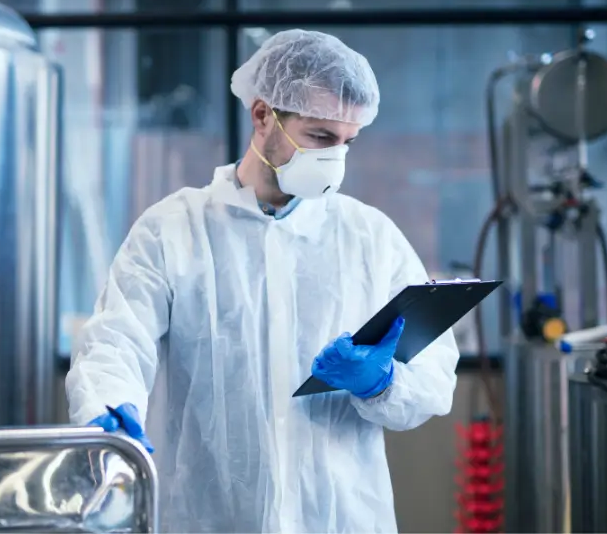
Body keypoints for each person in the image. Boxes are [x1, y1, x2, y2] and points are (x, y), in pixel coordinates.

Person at [66, 29, 460, 533]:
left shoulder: (369, 237)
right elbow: (117, 339)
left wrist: (382, 382)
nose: (333, 160)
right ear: (262, 116)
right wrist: (109, 408)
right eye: (320, 137)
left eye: (347, 143)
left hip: (339, 518)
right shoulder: (175, 228)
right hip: (213, 516)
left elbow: (433, 376)